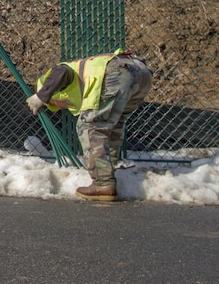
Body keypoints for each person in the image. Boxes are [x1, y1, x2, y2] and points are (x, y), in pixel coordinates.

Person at [26, 49, 153, 201]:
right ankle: (107, 177)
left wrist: (41, 97)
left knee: (89, 127)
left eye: (54, 104)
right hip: (141, 74)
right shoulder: (76, 84)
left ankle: (102, 183)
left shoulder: (47, 82)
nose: (61, 107)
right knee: (113, 126)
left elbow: (62, 71)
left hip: (116, 72)